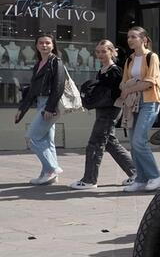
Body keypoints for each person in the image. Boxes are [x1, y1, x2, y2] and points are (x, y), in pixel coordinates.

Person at [70, 40, 136, 190]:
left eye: (104, 51)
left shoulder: (115, 70)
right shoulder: (102, 69)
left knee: (95, 143)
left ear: (112, 52)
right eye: (98, 52)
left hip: (110, 110)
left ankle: (89, 180)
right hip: (103, 109)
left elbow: (120, 91)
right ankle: (136, 173)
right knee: (110, 142)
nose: (100, 54)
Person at [15, 33, 66, 185]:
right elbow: (32, 91)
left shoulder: (56, 61)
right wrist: (21, 110)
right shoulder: (38, 64)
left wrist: (50, 108)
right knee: (47, 141)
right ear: (36, 46)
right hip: (40, 102)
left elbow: (58, 86)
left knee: (32, 137)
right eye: (41, 43)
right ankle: (48, 175)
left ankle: (52, 168)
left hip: (50, 103)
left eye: (48, 43)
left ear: (53, 45)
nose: (44, 45)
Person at [119, 26, 160, 192]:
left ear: (144, 39)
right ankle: (140, 179)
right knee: (133, 142)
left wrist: (130, 88)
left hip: (150, 101)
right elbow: (123, 83)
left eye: (134, 37)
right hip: (133, 104)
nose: (130, 40)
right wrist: (129, 87)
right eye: (129, 37)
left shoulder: (151, 57)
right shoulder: (129, 59)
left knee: (139, 140)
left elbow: (150, 81)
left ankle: (156, 176)